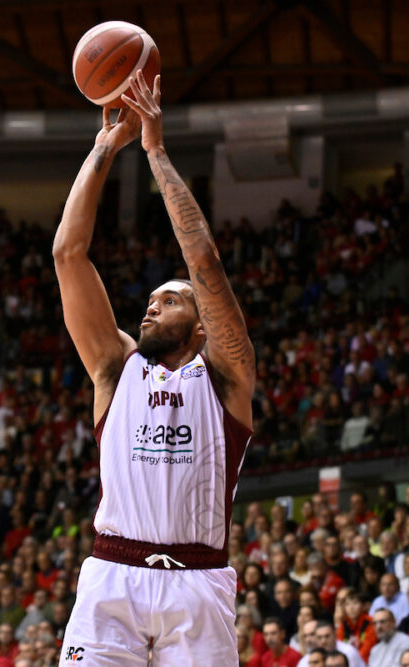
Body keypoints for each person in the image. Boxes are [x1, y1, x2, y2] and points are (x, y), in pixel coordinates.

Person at [52, 71, 254, 666]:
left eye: (171, 299)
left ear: (201, 326)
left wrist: (156, 152)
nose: (152, 303)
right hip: (113, 577)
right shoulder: (115, 369)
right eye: (152, 298)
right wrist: (103, 149)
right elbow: (68, 255)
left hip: (198, 583)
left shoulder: (226, 379)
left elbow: (205, 262)